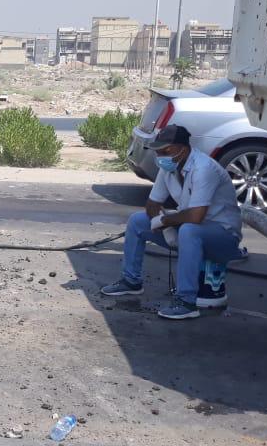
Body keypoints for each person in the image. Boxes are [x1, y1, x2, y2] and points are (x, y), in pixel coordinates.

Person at [100, 125, 244, 320]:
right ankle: (131, 281)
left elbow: (196, 216)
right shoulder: (169, 167)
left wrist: (165, 220)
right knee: (137, 221)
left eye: (165, 151)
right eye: (158, 151)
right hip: (191, 230)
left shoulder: (203, 169)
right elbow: (152, 204)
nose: (160, 156)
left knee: (189, 230)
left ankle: (186, 302)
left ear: (182, 149)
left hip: (224, 237)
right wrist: (164, 225)